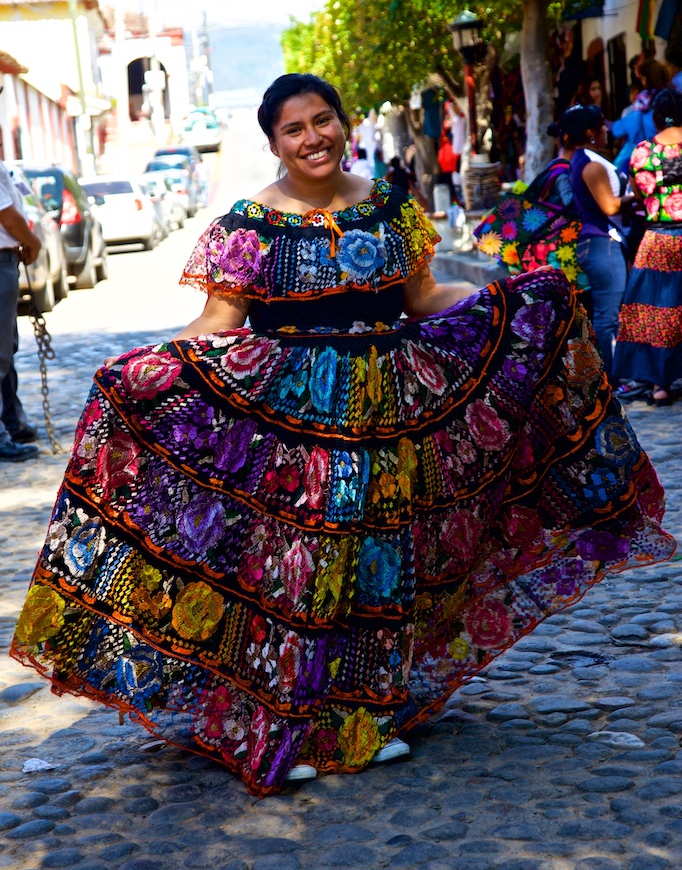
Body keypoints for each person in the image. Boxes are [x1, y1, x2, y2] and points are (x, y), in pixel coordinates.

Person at [11, 73, 674, 798]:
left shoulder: (390, 208)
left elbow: (423, 299)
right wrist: (141, 370)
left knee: (377, 570)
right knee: (294, 575)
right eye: (293, 129)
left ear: (341, 121)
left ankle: (364, 723)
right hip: (287, 433)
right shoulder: (246, 226)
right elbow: (218, 325)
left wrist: (509, 293)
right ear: (274, 143)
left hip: (387, 421)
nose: (312, 138)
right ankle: (279, 727)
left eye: (322, 120)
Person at [613, 88, 682, 406]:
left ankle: (660, 384)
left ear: (654, 117)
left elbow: (640, 198)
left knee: (656, 312)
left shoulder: (642, 152)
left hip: (657, 241)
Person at [568, 104, 630, 380]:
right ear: (591, 132)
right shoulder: (591, 165)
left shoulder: (583, 159)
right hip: (602, 244)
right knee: (608, 319)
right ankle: (610, 380)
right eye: (602, 125)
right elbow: (611, 206)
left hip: (596, 244)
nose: (607, 129)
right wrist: (640, 193)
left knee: (608, 316)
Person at [0, 157, 42, 462]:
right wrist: (33, 243)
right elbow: (7, 216)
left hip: (7, 259)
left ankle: (14, 424)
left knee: (6, 349)